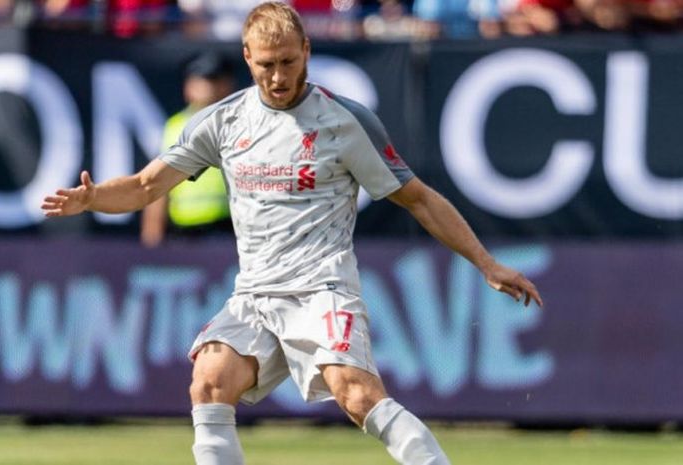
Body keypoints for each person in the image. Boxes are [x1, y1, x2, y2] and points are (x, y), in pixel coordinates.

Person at [41, 2, 543, 464]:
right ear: (246, 57)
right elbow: (147, 185)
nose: (278, 77)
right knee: (209, 383)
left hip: (321, 289)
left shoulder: (344, 121)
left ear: (307, 51)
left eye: (287, 61)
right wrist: (93, 198)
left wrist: (486, 263)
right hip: (255, 294)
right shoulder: (222, 121)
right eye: (265, 64)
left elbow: (418, 199)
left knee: (357, 395)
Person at [141, 52, 236, 247]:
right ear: (188, 87)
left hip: (230, 229)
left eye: (215, 80)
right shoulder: (174, 127)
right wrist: (152, 236)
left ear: (227, 85)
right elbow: (157, 185)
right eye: (202, 80)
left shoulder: (241, 123)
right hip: (183, 232)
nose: (208, 86)